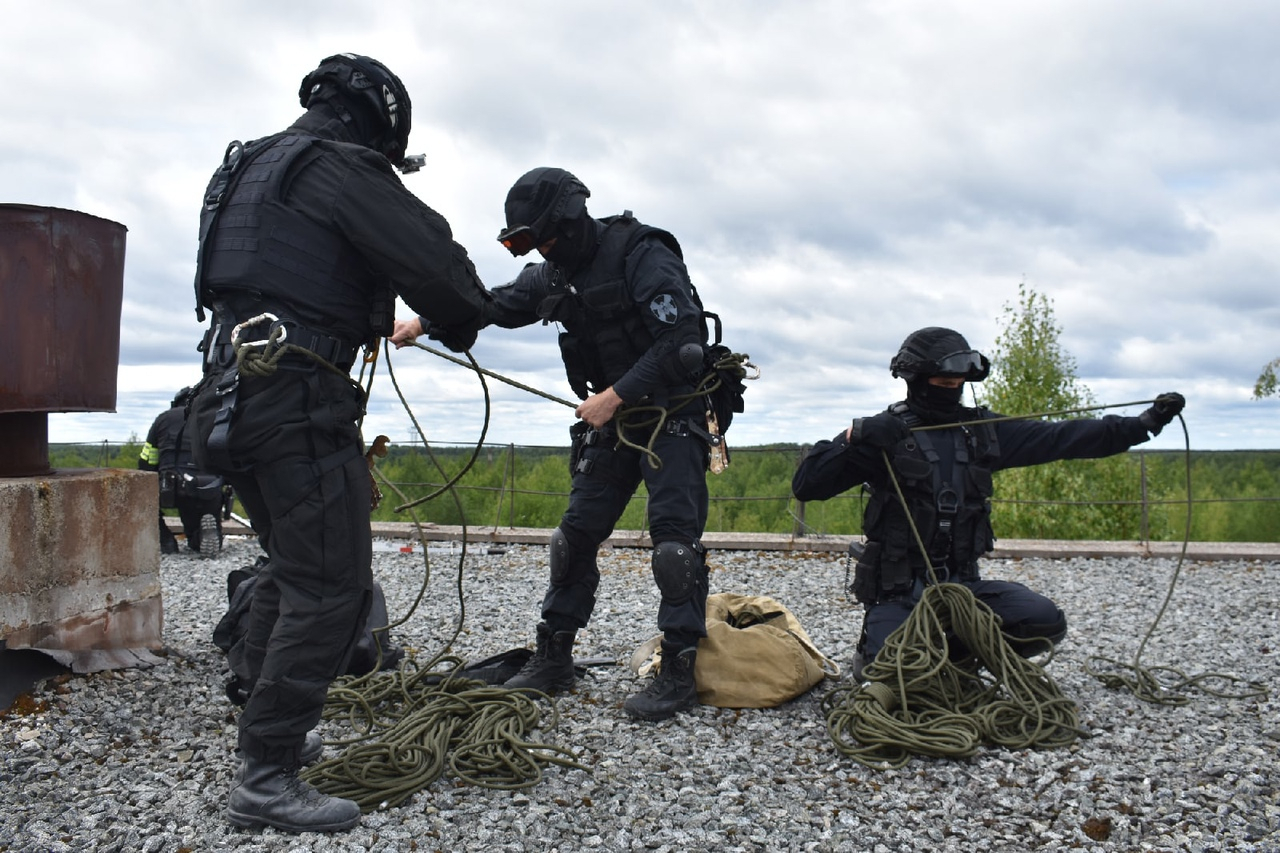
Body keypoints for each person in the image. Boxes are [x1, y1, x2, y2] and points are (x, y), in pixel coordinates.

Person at [186, 53, 489, 833]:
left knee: (294, 567)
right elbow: (445, 276)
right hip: (295, 401)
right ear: (380, 122)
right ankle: (267, 774)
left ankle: (273, 724)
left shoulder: (250, 165)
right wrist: (460, 318)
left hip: (226, 394)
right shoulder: (342, 169)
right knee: (333, 584)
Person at [392, 167, 738, 722]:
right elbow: (494, 304)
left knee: (674, 548)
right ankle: (553, 656)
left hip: (672, 414)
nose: (542, 248)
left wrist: (615, 395)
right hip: (612, 426)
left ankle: (678, 669)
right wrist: (423, 323)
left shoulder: (641, 252)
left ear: (573, 219)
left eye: (545, 236)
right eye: (529, 242)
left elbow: (683, 341)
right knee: (572, 538)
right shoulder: (551, 277)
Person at [791, 326, 1185, 678]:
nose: (952, 388)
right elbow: (807, 484)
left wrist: (1143, 424)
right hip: (899, 591)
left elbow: (1064, 437)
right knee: (890, 675)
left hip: (966, 588)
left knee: (1044, 622)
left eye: (958, 382)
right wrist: (851, 439)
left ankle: (959, 655)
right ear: (916, 378)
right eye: (943, 381)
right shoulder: (884, 434)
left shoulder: (982, 433)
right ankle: (887, 652)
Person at [138, 386, 227, 557]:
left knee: (147, 506)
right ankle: (202, 537)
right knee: (204, 514)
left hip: (173, 485)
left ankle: (166, 542)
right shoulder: (215, 417)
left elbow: (148, 460)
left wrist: (147, 482)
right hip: (208, 484)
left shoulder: (164, 419)